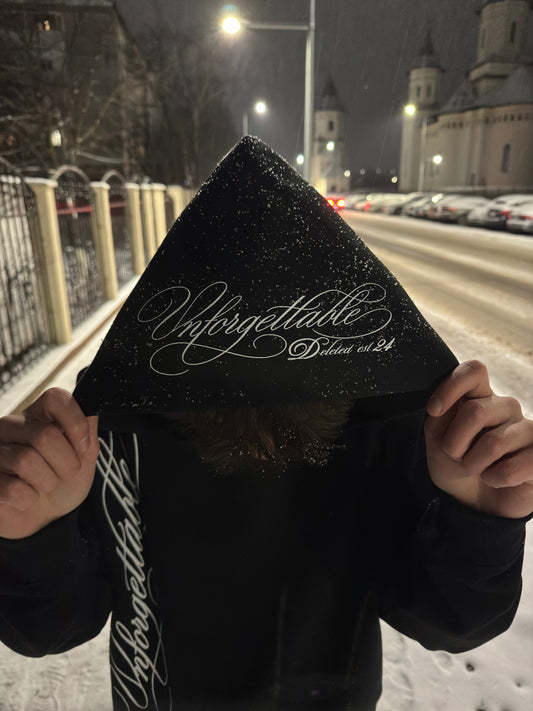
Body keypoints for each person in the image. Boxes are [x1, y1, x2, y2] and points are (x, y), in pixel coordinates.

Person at [1, 137, 532, 711]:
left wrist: (476, 517)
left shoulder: (381, 415)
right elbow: (49, 626)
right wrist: (35, 533)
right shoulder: (109, 427)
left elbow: (448, 617)